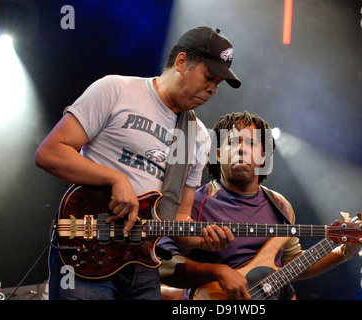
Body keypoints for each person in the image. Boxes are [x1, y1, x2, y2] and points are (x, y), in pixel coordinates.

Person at [34, 26, 241, 300]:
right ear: (181, 62)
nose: (213, 88)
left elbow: (178, 219)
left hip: (142, 265)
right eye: (209, 77)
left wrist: (205, 240)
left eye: (218, 83)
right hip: (88, 249)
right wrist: (115, 178)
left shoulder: (198, 137)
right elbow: (50, 152)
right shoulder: (116, 90)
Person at [158, 111, 360, 300]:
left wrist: (342, 253)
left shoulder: (280, 206)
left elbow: (290, 264)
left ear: (263, 156)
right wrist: (216, 272)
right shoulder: (191, 203)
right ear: (218, 154)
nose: (242, 149)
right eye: (232, 142)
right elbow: (164, 266)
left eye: (251, 143)